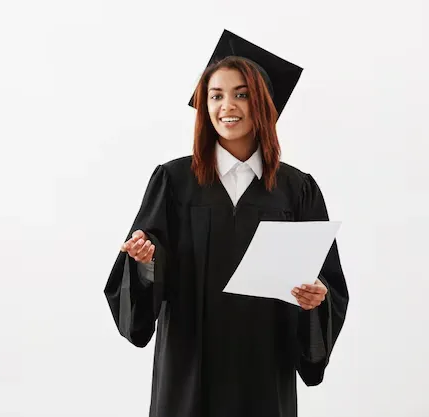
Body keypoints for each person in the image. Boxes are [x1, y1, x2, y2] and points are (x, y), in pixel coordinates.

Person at [104, 29, 349, 417]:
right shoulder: (173, 181)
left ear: (263, 103)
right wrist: (145, 262)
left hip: (265, 368)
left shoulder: (296, 189)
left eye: (241, 94)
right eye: (216, 95)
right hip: (188, 369)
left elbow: (326, 284)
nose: (226, 105)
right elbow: (140, 286)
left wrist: (314, 299)